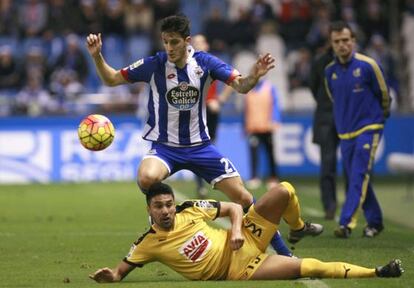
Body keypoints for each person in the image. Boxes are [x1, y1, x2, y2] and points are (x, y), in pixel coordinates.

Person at [86, 14, 292, 256]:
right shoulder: (154, 64)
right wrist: (97, 56)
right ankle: (160, 231)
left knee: (244, 197)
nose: (169, 48)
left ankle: (283, 251)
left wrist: (254, 75)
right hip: (165, 147)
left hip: (200, 147)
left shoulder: (205, 63)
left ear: (187, 41)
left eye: (174, 42)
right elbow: (111, 79)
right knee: (146, 178)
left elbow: (241, 86)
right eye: (165, 41)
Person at [89, 182, 403, 282]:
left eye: (169, 204)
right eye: (159, 206)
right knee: (306, 267)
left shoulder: (189, 208)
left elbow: (233, 208)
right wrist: (111, 277)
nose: (167, 210)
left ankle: (297, 229)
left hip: (246, 237)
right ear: (149, 210)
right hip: (240, 268)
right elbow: (120, 271)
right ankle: (378, 272)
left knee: (284, 190)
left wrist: (238, 231)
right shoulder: (147, 243)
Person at [324, 21, 391, 238]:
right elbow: (335, 98)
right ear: (332, 44)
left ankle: (346, 223)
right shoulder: (330, 72)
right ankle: (375, 221)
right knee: (357, 177)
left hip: (369, 127)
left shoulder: (368, 65)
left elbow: (384, 94)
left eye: (346, 40)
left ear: (353, 41)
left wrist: (379, 119)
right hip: (346, 133)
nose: (342, 45)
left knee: (358, 174)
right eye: (337, 41)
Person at [309, 45, 339, 220]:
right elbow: (314, 87)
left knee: (354, 165)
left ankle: (355, 205)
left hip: (349, 118)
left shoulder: (355, 62)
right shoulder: (321, 62)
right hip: (326, 119)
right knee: (328, 165)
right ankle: (330, 205)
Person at [244, 78, 281, 190]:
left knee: (270, 154)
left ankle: (273, 178)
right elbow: (246, 110)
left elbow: (275, 105)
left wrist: (275, 121)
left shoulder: (270, 88)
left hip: (267, 127)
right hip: (253, 127)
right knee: (253, 154)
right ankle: (254, 177)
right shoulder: (248, 90)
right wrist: (244, 126)